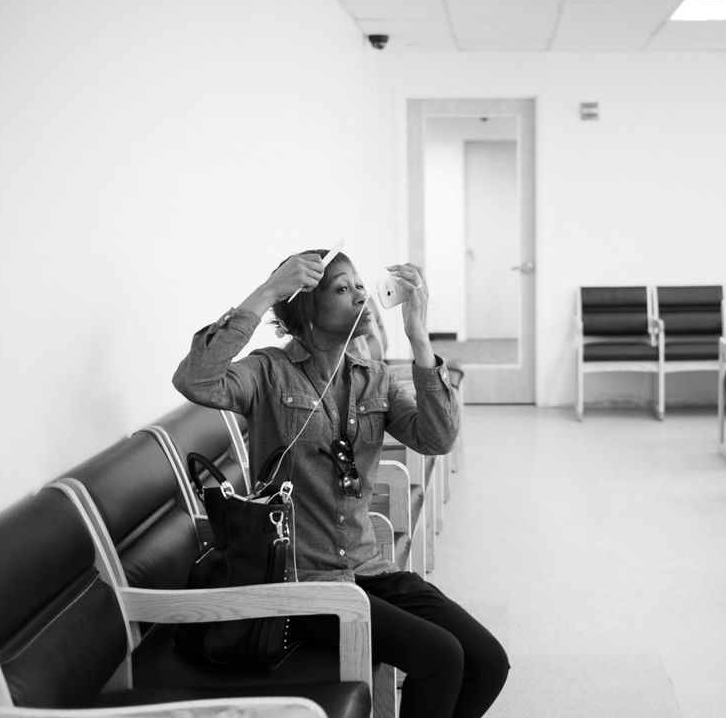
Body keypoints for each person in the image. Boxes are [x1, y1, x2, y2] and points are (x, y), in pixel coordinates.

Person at [172, 248, 508, 718]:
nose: (361, 295)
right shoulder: (267, 373)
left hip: (369, 570)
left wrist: (418, 337)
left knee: (488, 662)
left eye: (358, 284)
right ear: (306, 309)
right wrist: (267, 292)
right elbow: (195, 379)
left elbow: (438, 438)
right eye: (342, 287)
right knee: (441, 657)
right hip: (302, 582)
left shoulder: (375, 378)